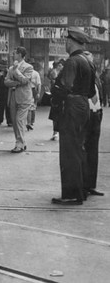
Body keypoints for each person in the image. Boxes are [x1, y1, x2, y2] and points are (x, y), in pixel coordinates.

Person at [50, 27, 95, 205]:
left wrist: (55, 93)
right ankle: (82, 190)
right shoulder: (88, 61)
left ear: (71, 41)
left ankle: (71, 194)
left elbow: (64, 86)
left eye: (66, 41)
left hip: (72, 106)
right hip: (84, 105)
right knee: (79, 148)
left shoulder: (72, 61)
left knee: (69, 150)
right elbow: (91, 90)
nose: (65, 44)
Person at [82, 51, 104, 198]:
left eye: (92, 63)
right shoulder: (81, 77)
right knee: (83, 151)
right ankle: (82, 185)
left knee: (93, 152)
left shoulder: (95, 78)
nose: (90, 66)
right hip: (86, 115)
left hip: (96, 114)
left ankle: (91, 185)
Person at [4, 47, 33, 153]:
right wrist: (15, 83)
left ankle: (19, 144)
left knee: (19, 120)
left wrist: (16, 71)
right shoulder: (11, 67)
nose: (13, 55)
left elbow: (25, 80)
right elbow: (6, 82)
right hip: (12, 97)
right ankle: (21, 142)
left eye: (14, 53)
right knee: (15, 122)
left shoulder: (28, 67)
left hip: (24, 98)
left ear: (20, 54)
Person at [26, 60, 42, 131]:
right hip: (30, 90)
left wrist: (38, 92)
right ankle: (30, 122)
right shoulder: (35, 73)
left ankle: (30, 122)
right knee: (31, 107)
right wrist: (38, 92)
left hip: (31, 90)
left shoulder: (32, 73)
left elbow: (38, 84)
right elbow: (39, 84)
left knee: (31, 107)